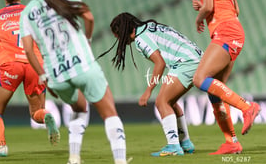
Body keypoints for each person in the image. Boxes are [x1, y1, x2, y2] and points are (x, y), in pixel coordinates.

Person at [19, 0, 142, 164]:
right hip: (83, 66)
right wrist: (87, 40)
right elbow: (90, 18)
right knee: (109, 112)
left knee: (79, 108)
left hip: (56, 75)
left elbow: (29, 49)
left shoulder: (27, 13)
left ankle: (74, 158)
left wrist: (44, 77)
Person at [101, 12, 244, 155]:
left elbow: (159, 63)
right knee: (171, 102)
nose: (118, 39)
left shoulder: (141, 38)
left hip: (185, 63)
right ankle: (185, 143)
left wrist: (148, 91)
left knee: (161, 102)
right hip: (197, 59)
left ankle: (174, 146)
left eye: (118, 35)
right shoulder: (151, 26)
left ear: (125, 31)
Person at [0, 0, 60, 158]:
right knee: (35, 112)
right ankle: (46, 116)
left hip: (10, 66)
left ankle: (1, 146)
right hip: (34, 64)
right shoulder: (33, 13)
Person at [192, 0, 260, 142]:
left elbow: (210, 6)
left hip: (226, 32)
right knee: (215, 91)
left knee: (200, 79)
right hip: (233, 29)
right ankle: (231, 142)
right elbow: (235, 9)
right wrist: (203, 8)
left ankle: (247, 107)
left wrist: (200, 17)